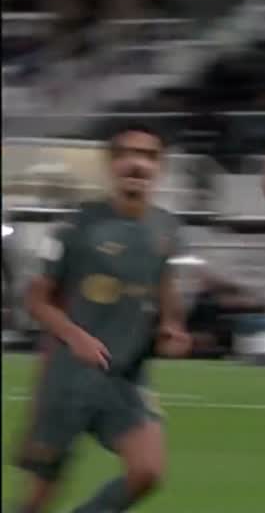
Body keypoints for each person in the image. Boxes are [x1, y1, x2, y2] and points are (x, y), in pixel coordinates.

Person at [13, 123, 192, 513]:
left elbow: (163, 281)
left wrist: (171, 324)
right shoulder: (78, 226)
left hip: (125, 377)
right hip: (69, 378)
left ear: (160, 166)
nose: (137, 164)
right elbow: (36, 299)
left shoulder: (166, 227)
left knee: (147, 472)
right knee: (38, 498)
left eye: (148, 156)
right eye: (127, 154)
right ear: (111, 164)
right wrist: (75, 336)